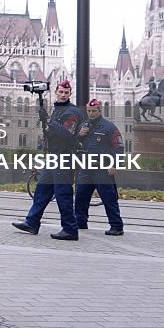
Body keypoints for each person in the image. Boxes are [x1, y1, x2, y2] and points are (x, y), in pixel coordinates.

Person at [13, 81, 84, 241]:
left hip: (64, 157)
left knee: (63, 194)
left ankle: (70, 229)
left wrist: (49, 122)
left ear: (70, 93)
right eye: (61, 92)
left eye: (66, 92)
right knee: (42, 191)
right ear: (56, 92)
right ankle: (32, 222)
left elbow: (67, 134)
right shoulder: (58, 110)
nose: (63, 94)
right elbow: (54, 132)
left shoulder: (72, 112)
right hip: (54, 157)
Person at [75, 99, 124, 236]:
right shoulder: (84, 126)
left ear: (99, 111)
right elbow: (75, 145)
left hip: (102, 168)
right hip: (86, 167)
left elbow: (118, 146)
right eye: (89, 111)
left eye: (94, 111)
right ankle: (80, 222)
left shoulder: (109, 127)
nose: (91, 113)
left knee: (109, 199)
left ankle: (116, 226)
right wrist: (79, 136)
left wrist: (115, 164)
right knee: (80, 197)